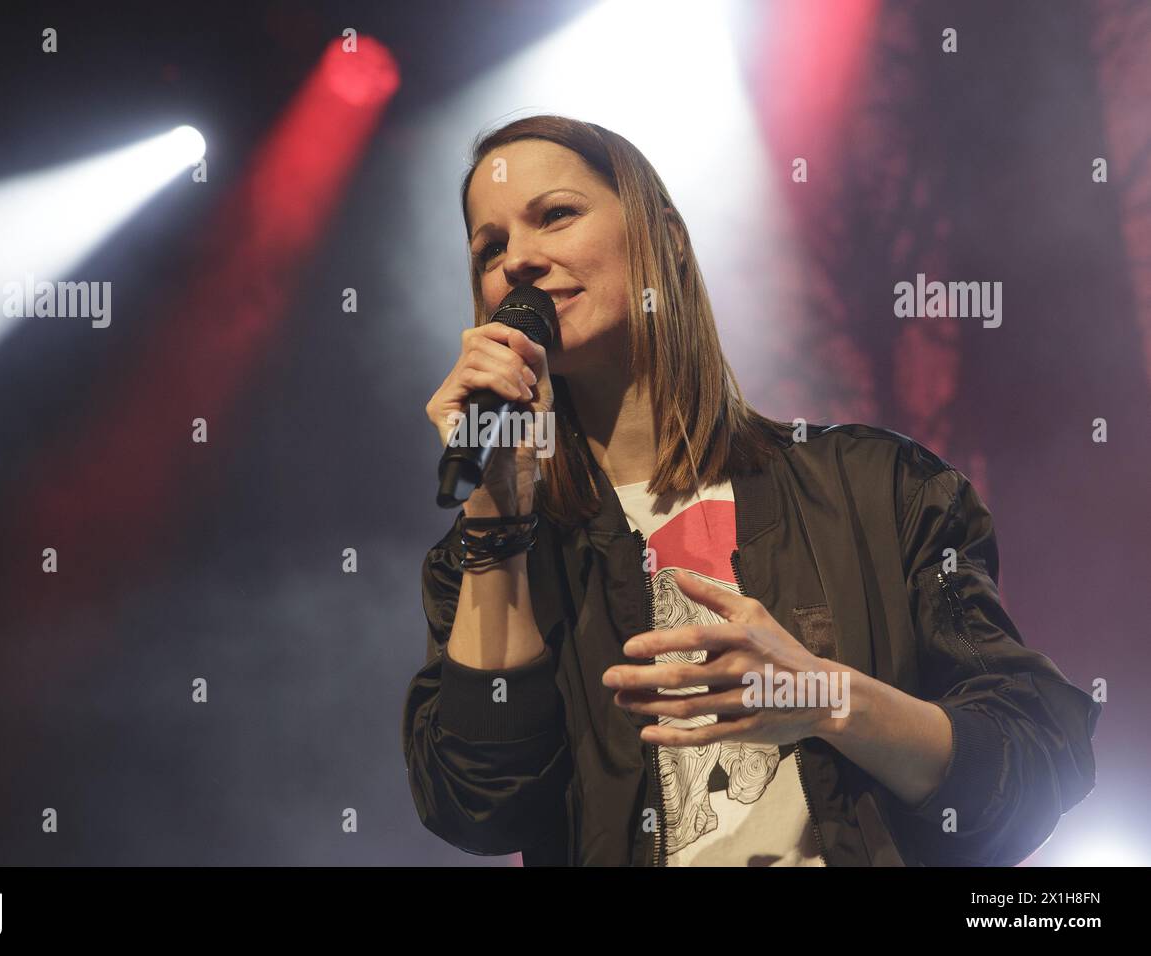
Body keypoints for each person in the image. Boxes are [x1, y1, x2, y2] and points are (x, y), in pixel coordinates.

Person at [402, 114, 1100, 866]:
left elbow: (1036, 756)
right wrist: (499, 521)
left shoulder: (878, 488)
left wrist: (827, 698)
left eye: (557, 215)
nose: (520, 263)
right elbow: (478, 805)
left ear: (663, 236)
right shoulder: (489, 561)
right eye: (491, 248)